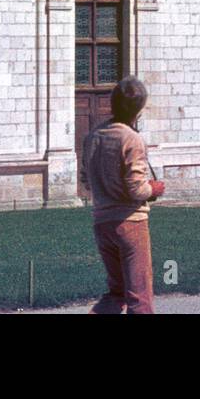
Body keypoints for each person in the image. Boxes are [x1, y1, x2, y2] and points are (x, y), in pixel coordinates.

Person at [83, 75, 164, 314]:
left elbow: (85, 181)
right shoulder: (132, 139)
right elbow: (137, 190)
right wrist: (155, 189)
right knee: (140, 299)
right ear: (139, 109)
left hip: (102, 222)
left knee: (116, 294)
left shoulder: (93, 136)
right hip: (131, 223)